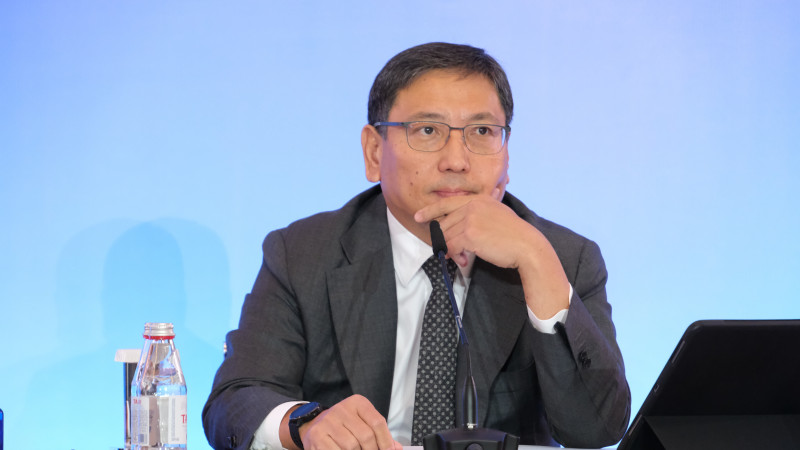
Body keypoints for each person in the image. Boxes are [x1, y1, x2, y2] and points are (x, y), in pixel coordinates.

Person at [203, 42, 630, 450]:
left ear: (506, 156)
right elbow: (236, 400)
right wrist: (306, 424)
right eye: (428, 130)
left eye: (482, 131)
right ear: (374, 152)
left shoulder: (562, 257)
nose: (457, 161)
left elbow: (596, 430)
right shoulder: (304, 253)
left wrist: (537, 263)